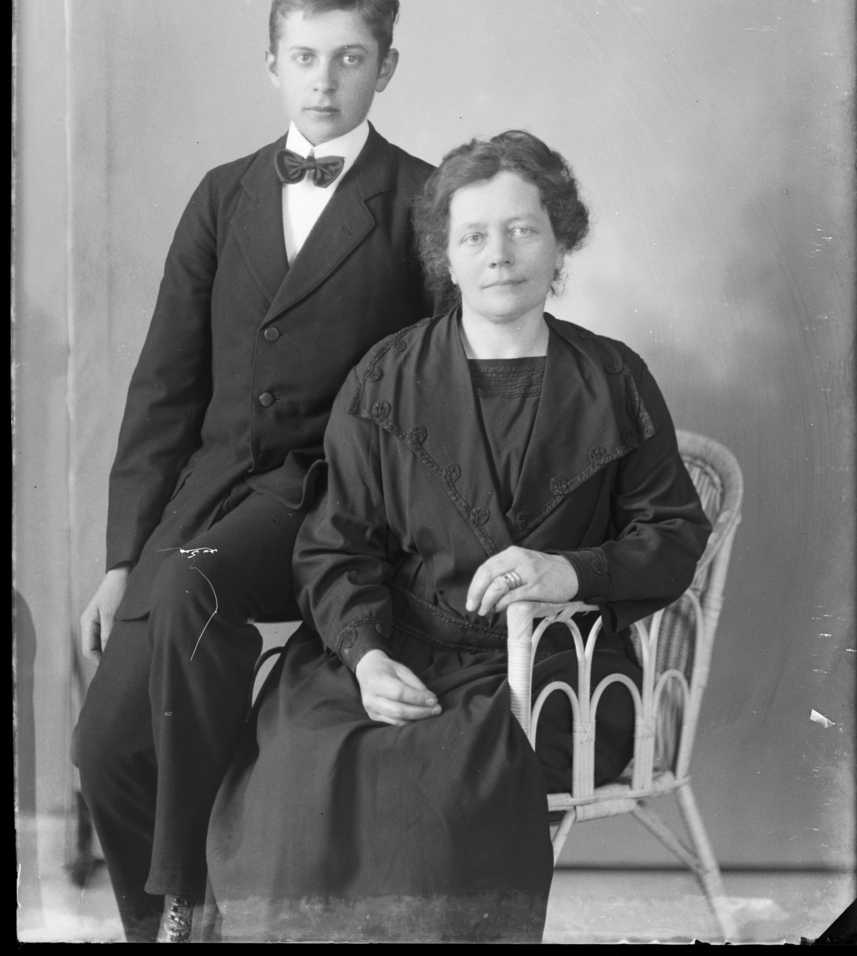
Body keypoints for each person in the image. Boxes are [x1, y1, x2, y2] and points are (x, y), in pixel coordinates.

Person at [205, 129, 713, 943]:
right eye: (473, 236)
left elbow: (673, 534)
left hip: (553, 669)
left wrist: (569, 571)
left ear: (560, 242)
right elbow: (336, 546)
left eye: (522, 229)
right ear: (445, 255)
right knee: (298, 768)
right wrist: (366, 658)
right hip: (391, 642)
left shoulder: (615, 378)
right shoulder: (384, 377)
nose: (499, 255)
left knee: (433, 800)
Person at [74, 0, 434, 943]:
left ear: (385, 68)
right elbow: (164, 386)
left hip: (329, 500)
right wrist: (122, 557)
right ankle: (161, 929)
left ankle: (197, 895)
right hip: (204, 501)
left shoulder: (421, 200)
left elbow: (440, 389)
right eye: (304, 57)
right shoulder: (222, 194)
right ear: (271, 63)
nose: (324, 81)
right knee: (106, 747)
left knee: (197, 582)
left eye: (349, 58)